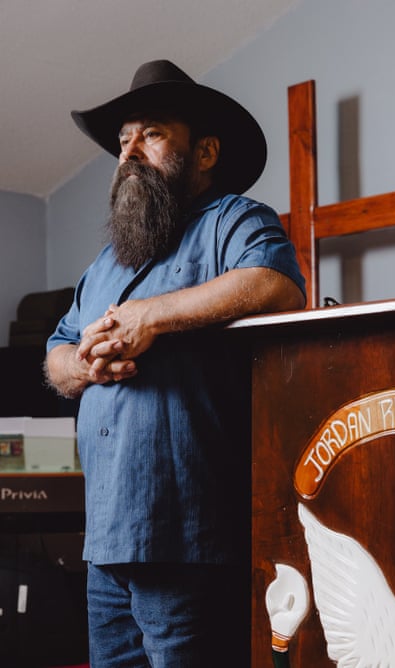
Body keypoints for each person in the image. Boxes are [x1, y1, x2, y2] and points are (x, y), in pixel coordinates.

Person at [45, 59, 306, 668]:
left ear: (206, 151)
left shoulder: (235, 221)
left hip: (190, 539)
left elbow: (276, 284)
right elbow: (56, 355)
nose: (130, 151)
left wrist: (150, 317)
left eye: (152, 133)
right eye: (123, 139)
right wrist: (85, 365)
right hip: (106, 543)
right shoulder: (104, 262)